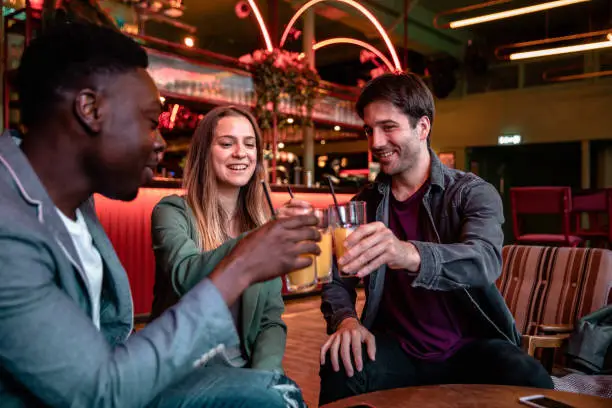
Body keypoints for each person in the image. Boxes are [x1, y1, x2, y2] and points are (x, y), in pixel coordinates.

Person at [0, 22, 320, 407]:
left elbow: (269, 319)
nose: (160, 142)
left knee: (278, 394)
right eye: (151, 121)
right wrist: (244, 263)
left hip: (124, 376)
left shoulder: (74, 204)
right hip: (106, 391)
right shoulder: (9, 226)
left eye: (250, 144)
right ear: (90, 109)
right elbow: (100, 392)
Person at [317, 72, 553, 405]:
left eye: (389, 127)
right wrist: (346, 321)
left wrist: (408, 254)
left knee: (532, 379)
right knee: (340, 364)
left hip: (470, 348)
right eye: (370, 129)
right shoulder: (364, 204)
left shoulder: (472, 193)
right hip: (396, 348)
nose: (376, 143)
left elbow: (483, 260)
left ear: (423, 127)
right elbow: (335, 276)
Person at [150, 106, 288, 372]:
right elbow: (185, 274)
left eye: (250, 144)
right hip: (181, 372)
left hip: (241, 372)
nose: (241, 153)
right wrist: (258, 242)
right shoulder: (171, 212)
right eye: (227, 143)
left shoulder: (261, 223)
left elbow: (270, 320)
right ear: (204, 153)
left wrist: (266, 377)